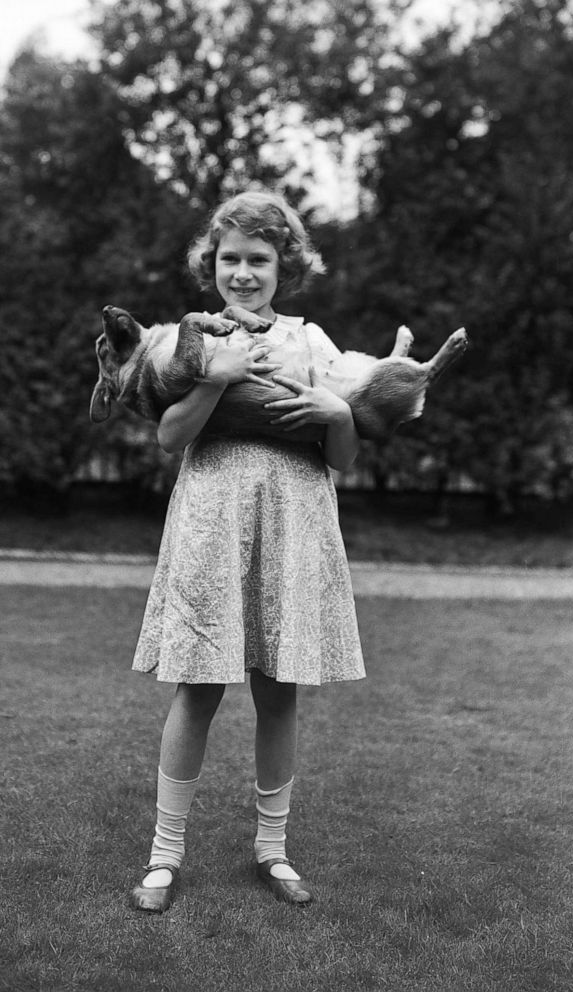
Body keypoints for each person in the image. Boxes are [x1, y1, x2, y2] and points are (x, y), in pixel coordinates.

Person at [129, 190, 365, 913]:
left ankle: (273, 851)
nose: (242, 272)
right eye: (229, 258)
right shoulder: (190, 339)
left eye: (257, 259)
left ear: (281, 266)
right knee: (197, 687)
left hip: (293, 519)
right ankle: (164, 859)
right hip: (212, 522)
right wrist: (218, 378)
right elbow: (171, 436)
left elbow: (343, 460)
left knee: (277, 692)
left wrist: (338, 412)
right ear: (211, 265)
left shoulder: (310, 340)